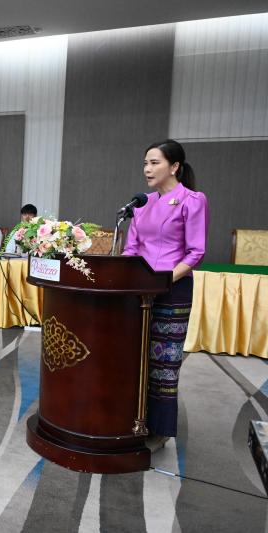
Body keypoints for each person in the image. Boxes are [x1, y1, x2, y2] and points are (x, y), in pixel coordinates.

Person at [123, 139, 208, 452]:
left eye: (154, 162)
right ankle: (132, 417)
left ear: (174, 167)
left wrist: (162, 280)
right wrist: (130, 277)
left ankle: (159, 429)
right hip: (139, 290)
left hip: (172, 289)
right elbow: (131, 248)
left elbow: (195, 252)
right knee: (135, 358)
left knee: (163, 362)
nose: (147, 169)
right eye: (145, 163)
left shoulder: (192, 200)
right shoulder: (141, 204)